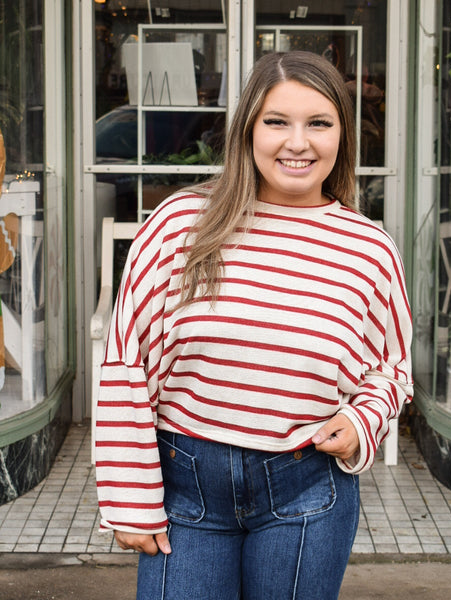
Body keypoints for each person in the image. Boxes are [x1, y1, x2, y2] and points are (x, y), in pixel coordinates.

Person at [95, 51, 413, 600]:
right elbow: (127, 364)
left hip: (308, 484)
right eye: (276, 122)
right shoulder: (180, 225)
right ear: (247, 129)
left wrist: (363, 420)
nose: (298, 143)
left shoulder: (369, 248)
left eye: (319, 123)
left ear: (342, 134)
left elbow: (392, 369)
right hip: (188, 487)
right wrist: (129, 501)